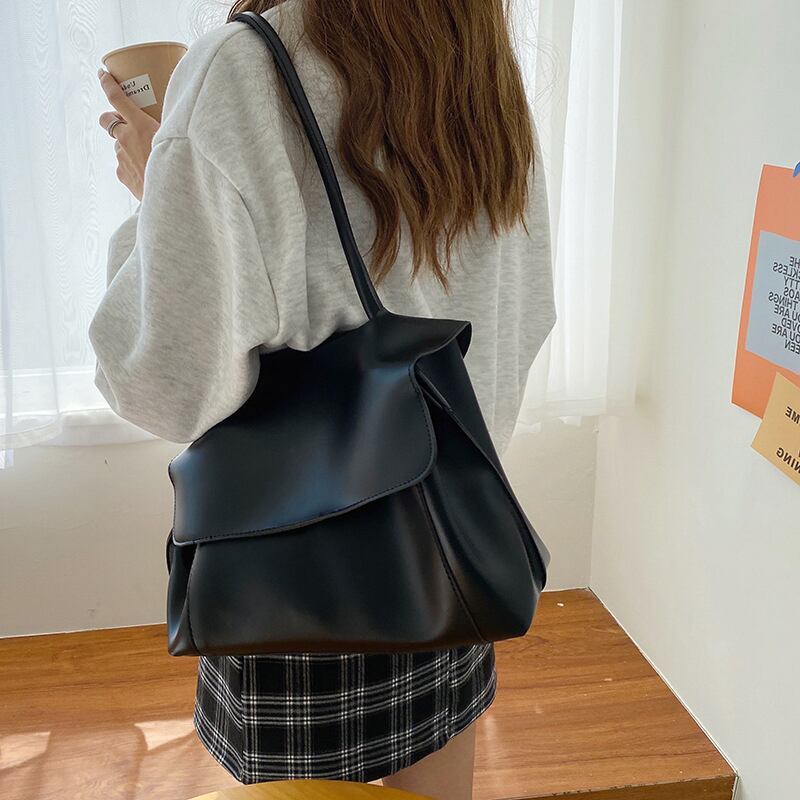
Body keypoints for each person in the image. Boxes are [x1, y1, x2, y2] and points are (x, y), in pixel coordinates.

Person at [90, 1, 556, 797]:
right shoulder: (473, 58)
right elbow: (524, 309)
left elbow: (159, 383)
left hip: (297, 568)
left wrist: (155, 196)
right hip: (446, 545)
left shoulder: (240, 70)